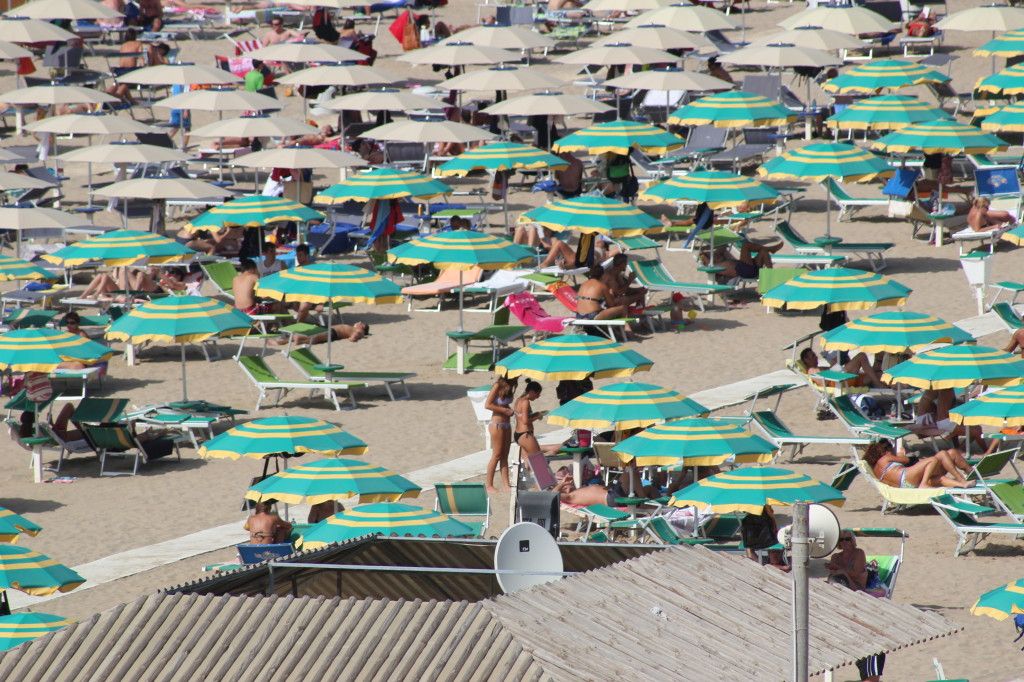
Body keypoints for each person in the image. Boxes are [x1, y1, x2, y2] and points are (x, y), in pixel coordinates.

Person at [862, 439, 974, 489]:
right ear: (885, 451)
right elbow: (906, 460)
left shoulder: (877, 468)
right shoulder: (885, 458)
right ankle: (960, 478)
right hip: (905, 477)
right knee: (935, 458)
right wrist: (901, 454)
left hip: (907, 483)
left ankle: (963, 484)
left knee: (951, 455)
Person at [484, 375, 518, 493]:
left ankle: (506, 484)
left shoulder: (510, 385)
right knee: (497, 455)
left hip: (506, 424)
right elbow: (488, 404)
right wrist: (505, 410)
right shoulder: (498, 385)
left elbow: (504, 404)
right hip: (496, 423)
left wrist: (510, 410)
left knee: (505, 455)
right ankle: (489, 485)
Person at [799, 348, 887, 390]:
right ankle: (877, 384)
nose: (816, 357)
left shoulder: (818, 368)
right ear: (806, 360)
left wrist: (836, 364)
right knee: (861, 356)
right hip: (840, 382)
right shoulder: (812, 371)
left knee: (879, 375)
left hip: (846, 379)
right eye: (813, 356)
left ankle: (896, 390)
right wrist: (833, 367)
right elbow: (823, 383)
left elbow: (831, 370)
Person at [700, 239, 783, 281]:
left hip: (750, 268)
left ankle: (771, 275)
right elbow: (708, 264)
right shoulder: (715, 266)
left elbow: (722, 249)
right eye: (713, 255)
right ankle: (770, 249)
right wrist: (703, 255)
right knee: (745, 245)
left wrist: (712, 253)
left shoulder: (724, 259)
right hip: (745, 271)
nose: (715, 255)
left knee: (763, 251)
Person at [268, 321, 369, 346]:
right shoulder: (354, 328)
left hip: (334, 333)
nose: (359, 322)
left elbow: (353, 338)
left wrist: (357, 337)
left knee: (316, 337)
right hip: (330, 329)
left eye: (361, 323)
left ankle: (297, 339)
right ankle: (281, 342)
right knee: (314, 335)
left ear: (363, 327)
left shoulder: (359, 331)